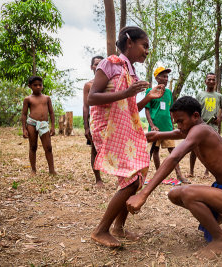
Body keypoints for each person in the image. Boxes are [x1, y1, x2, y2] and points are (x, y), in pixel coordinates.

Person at [126, 96, 222, 265]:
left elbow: (174, 157)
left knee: (188, 193)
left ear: (196, 116)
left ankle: (221, 240)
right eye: (176, 122)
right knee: (174, 194)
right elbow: (156, 135)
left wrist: (143, 194)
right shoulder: (190, 130)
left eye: (181, 121)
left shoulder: (201, 130)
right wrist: (131, 136)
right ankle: (216, 217)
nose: (179, 126)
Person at [87, 26, 165, 247]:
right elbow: (92, 98)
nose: (147, 51)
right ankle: (101, 230)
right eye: (145, 45)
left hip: (125, 128)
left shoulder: (130, 72)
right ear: (129, 42)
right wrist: (128, 92)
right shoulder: (109, 64)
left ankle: (118, 227)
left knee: (138, 174)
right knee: (131, 181)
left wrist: (147, 97)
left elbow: (128, 108)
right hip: (108, 128)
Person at [145, 66, 189, 184]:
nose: (166, 78)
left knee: (173, 151)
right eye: (163, 76)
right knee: (155, 150)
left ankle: (179, 175)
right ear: (157, 78)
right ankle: (160, 175)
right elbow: (147, 110)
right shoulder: (150, 91)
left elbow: (170, 109)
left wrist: (173, 123)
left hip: (167, 126)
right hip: (156, 127)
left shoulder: (169, 92)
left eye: (167, 76)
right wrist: (152, 125)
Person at [189, 73, 222, 177]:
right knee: (194, 148)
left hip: (213, 126)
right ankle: (191, 171)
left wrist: (219, 118)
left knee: (210, 149)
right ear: (205, 81)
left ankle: (207, 172)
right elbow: (195, 109)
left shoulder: (219, 96)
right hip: (200, 125)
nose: (211, 81)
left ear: (216, 82)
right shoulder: (200, 95)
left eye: (213, 80)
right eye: (209, 79)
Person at [21, 76, 56, 176]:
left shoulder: (46, 98)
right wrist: (24, 129)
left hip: (43, 124)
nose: (38, 87)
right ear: (30, 86)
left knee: (48, 147)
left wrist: (53, 126)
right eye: (35, 85)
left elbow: (51, 113)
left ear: (42, 86)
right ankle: (33, 170)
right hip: (31, 123)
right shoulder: (28, 99)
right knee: (33, 146)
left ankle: (52, 170)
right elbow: (24, 114)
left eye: (40, 85)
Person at [83, 55, 104, 187]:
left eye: (101, 63)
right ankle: (98, 179)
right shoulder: (88, 85)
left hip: (109, 120)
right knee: (95, 150)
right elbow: (86, 106)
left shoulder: (110, 83)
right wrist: (86, 127)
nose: (98, 66)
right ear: (92, 67)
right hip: (95, 121)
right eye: (96, 64)